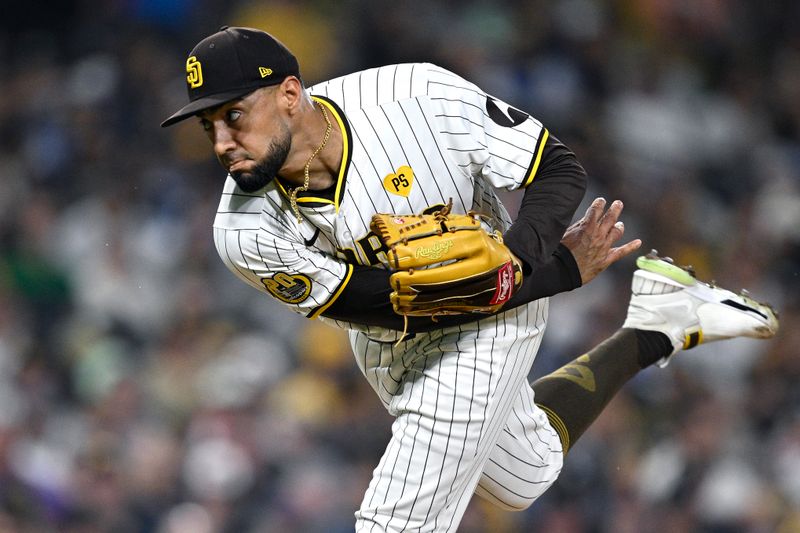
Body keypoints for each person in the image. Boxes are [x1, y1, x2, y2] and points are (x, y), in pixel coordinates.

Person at [161, 26, 779, 532]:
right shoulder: (241, 232)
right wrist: (559, 274)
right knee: (524, 476)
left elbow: (555, 168)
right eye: (206, 125)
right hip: (393, 338)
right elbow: (383, 306)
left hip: (501, 304)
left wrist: (526, 261)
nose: (221, 141)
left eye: (234, 115)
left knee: (394, 524)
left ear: (290, 94)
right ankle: (655, 326)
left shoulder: (413, 95)